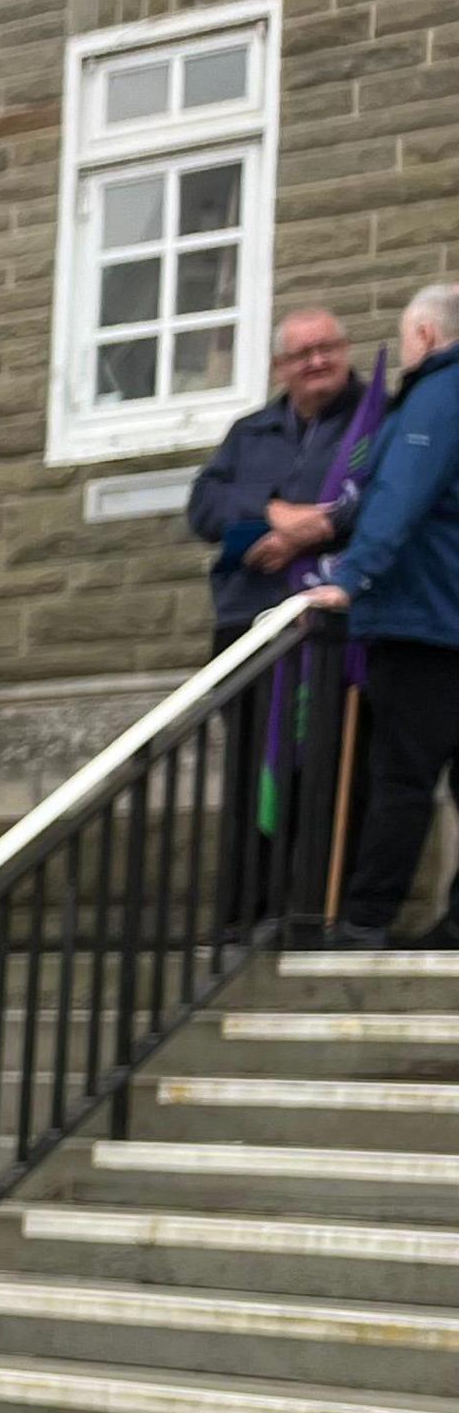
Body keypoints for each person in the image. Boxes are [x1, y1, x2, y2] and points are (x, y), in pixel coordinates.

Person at [305, 283, 459, 949]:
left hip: (425, 618)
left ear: (424, 334)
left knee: (400, 773)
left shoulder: (438, 393)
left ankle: (366, 918)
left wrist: (352, 576)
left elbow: (401, 491)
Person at [189, 307, 363, 648]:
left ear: (346, 349)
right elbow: (203, 506)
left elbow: (394, 503)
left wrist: (303, 536)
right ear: (279, 367)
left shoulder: (382, 420)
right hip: (249, 615)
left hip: (338, 616)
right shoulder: (249, 431)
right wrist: (269, 509)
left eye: (327, 348)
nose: (317, 361)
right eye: (302, 354)